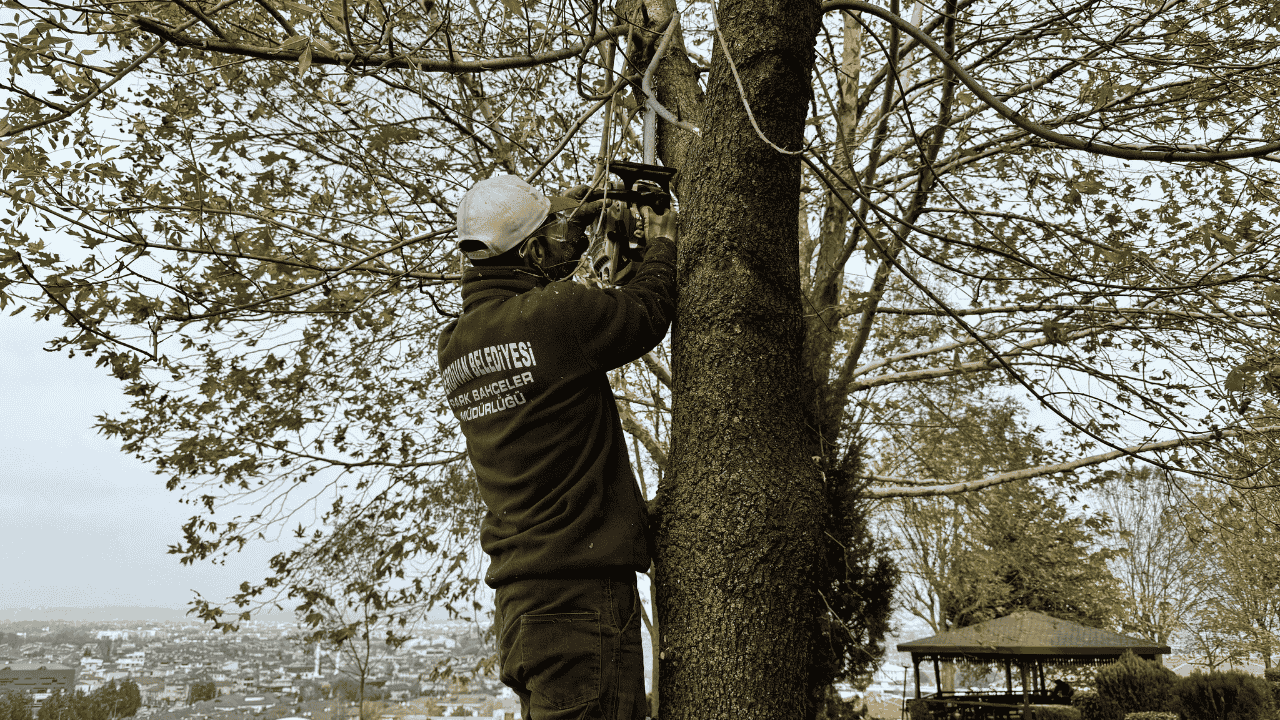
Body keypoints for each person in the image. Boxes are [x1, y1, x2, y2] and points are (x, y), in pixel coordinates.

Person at [437, 174, 677, 720]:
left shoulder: (456, 346)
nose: (574, 241)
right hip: (580, 601)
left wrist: (565, 219)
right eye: (554, 233)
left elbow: (533, 304)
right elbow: (646, 312)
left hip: (523, 610)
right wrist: (663, 242)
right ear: (534, 248)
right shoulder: (556, 316)